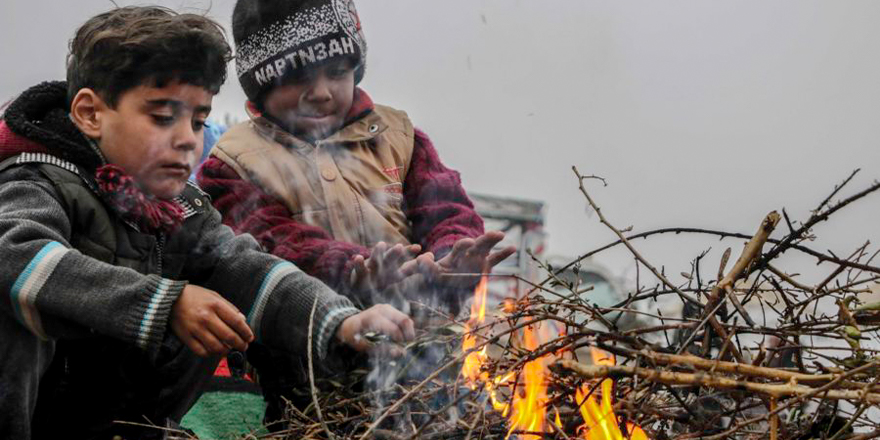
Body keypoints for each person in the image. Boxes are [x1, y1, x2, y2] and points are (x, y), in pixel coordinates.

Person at [0, 6, 413, 439]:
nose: (186, 138)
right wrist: (164, 304)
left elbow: (246, 267)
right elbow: (14, 254)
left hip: (103, 417)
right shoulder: (36, 179)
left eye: (198, 121)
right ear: (90, 114)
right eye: (162, 117)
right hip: (32, 413)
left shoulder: (179, 207)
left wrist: (341, 321)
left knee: (221, 295)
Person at [196, 0, 515, 424]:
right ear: (261, 86)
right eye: (299, 77)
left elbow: (446, 209)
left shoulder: (398, 137)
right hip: (309, 378)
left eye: (337, 72)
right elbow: (270, 243)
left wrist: (451, 259)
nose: (322, 91)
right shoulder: (235, 163)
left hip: (425, 365)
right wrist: (353, 269)